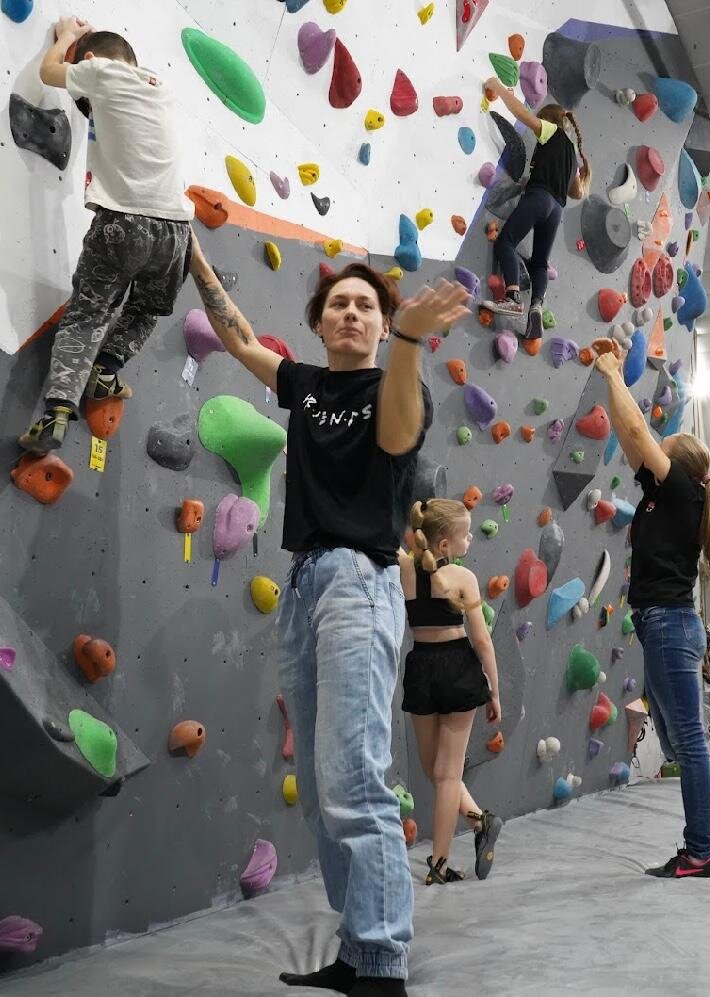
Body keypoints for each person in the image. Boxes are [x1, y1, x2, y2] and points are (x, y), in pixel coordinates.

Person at [188, 233, 469, 996]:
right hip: (307, 582)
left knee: (354, 778)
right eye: (339, 303)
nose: (351, 312)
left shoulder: (398, 383)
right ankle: (357, 945)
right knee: (320, 790)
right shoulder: (306, 383)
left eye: (366, 306)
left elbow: (397, 435)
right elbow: (240, 338)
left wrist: (410, 342)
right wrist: (196, 260)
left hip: (357, 582)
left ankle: (381, 962)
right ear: (318, 323)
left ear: (383, 325)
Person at [595, 346, 710, 879]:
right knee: (681, 745)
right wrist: (608, 383)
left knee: (687, 744)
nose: (651, 455)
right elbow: (630, 438)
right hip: (662, 625)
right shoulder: (661, 495)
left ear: (677, 467)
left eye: (662, 452)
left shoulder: (683, 490)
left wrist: (615, 372)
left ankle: (698, 852)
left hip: (667, 624)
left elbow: (638, 433)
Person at [19, 17, 193, 454]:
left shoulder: (100, 70)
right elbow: (105, 115)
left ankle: (57, 412)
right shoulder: (160, 88)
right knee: (147, 308)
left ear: (92, 61)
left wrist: (66, 38)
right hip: (175, 233)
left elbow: (49, 72)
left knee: (88, 314)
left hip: (124, 223)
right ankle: (107, 368)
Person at [399, 499, 503, 886]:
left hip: (423, 667)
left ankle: (441, 862)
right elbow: (483, 641)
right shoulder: (462, 577)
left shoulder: (403, 568)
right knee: (441, 773)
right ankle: (480, 822)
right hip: (456, 666)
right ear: (444, 544)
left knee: (440, 773)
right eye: (466, 534)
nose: (471, 539)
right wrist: (494, 691)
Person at [481, 77, 592, 340]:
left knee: (506, 242)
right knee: (540, 262)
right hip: (556, 210)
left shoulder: (552, 132)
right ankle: (537, 307)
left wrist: (498, 88)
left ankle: (512, 297)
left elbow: (522, 113)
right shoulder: (572, 155)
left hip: (540, 198)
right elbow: (576, 192)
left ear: (549, 121)